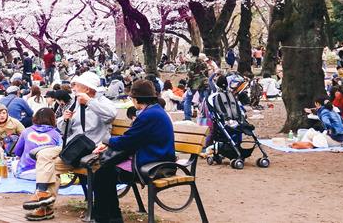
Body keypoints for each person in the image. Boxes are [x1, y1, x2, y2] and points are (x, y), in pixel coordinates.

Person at [21, 71, 117, 221]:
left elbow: (111, 115)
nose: (74, 88)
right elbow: (61, 127)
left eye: (77, 85)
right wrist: (65, 120)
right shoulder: (75, 103)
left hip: (92, 149)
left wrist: (90, 102)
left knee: (51, 167)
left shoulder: (103, 102)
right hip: (73, 147)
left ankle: (44, 208)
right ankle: (42, 194)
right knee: (44, 155)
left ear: (87, 88)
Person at [91, 79, 176, 223]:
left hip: (155, 163)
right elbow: (132, 138)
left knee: (103, 174)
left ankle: (106, 218)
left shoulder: (149, 115)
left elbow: (128, 140)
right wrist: (110, 144)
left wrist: (107, 141)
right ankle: (111, 217)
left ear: (136, 99)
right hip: (156, 157)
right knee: (105, 173)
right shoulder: (154, 111)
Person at [12, 108, 61, 178]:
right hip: (46, 174)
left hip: (24, 173)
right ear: (52, 119)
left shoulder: (26, 131)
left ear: (35, 117)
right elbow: (60, 155)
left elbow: (17, 152)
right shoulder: (56, 135)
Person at [183, 46, 209, 121]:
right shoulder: (203, 61)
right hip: (203, 83)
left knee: (188, 100)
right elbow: (206, 73)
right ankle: (204, 116)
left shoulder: (190, 61)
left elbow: (190, 75)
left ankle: (187, 117)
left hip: (194, 83)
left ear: (191, 52)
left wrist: (187, 85)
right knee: (203, 100)